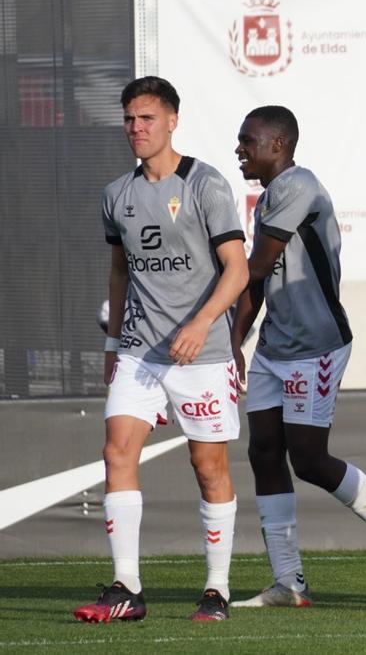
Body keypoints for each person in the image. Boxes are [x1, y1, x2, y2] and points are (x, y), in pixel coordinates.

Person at [226, 106, 366, 609]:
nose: (239, 150)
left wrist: (205, 298)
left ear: (278, 145)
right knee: (263, 452)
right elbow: (258, 280)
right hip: (277, 345)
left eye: (247, 141)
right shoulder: (269, 196)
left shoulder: (300, 185)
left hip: (317, 345)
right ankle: (289, 583)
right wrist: (236, 341)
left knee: (310, 460)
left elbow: (254, 267)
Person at [75, 76, 249, 623]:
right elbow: (120, 270)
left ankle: (216, 588)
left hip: (203, 353)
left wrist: (200, 324)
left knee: (208, 466)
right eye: (129, 118)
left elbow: (238, 270)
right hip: (139, 350)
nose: (136, 128)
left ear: (173, 120)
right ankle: (127, 586)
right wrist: (111, 341)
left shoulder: (207, 185)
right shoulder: (116, 196)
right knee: (117, 451)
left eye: (147, 118)